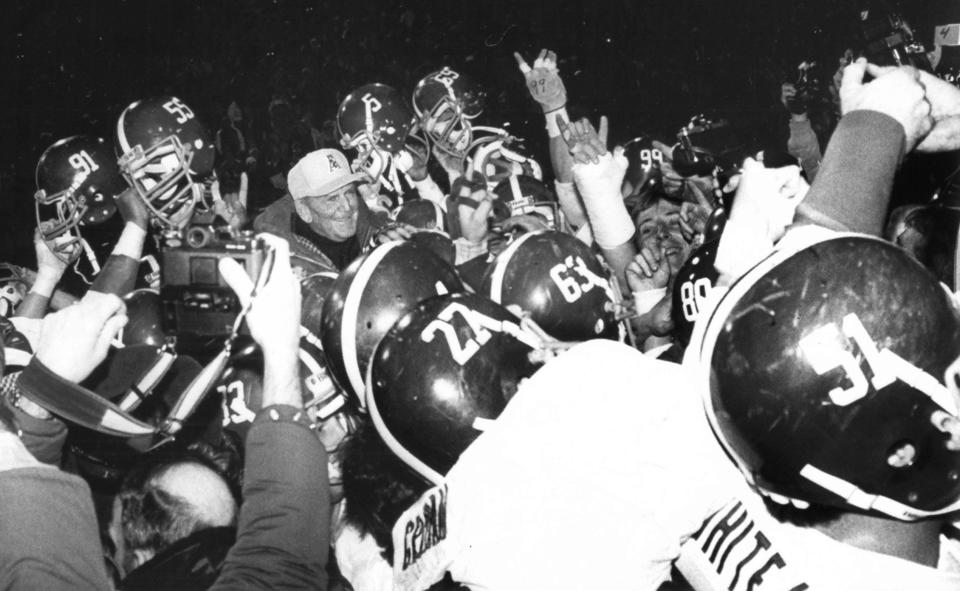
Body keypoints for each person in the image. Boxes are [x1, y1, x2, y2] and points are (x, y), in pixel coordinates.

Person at [253, 148, 392, 271]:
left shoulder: (372, 224)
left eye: (349, 192)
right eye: (332, 198)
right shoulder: (284, 264)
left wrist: (377, 208)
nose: (347, 206)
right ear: (304, 210)